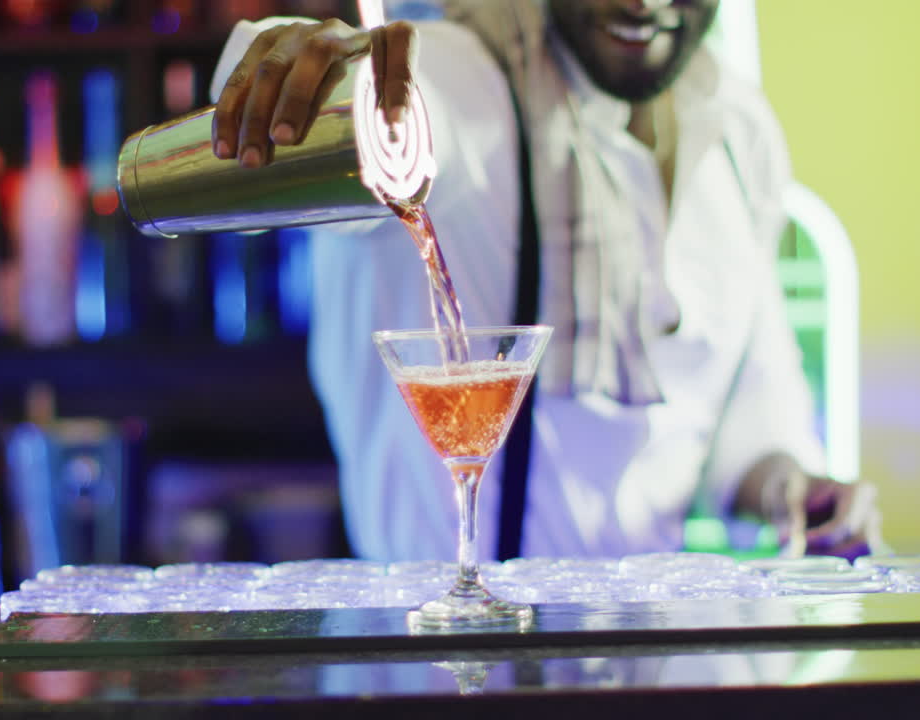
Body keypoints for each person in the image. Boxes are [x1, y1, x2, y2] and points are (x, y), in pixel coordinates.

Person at [208, 0, 883, 562]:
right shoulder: (458, 77)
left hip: (650, 649)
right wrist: (301, 70)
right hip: (437, 657)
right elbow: (378, 104)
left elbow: (750, 399)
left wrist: (792, 488)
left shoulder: (738, 129)